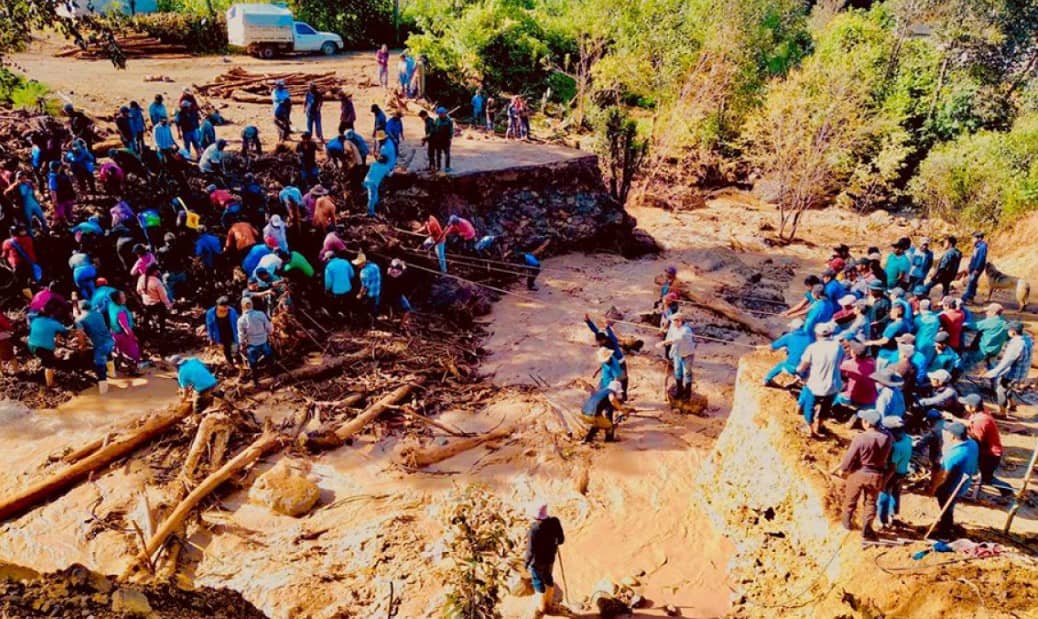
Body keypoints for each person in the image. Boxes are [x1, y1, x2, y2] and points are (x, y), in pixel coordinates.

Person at [836, 408, 891, 541]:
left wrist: (843, 469)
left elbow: (850, 456)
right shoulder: (887, 438)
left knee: (851, 499)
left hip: (860, 473)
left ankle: (847, 523)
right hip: (877, 475)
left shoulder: (860, 438)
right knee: (871, 502)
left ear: (866, 423)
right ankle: (867, 528)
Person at [928, 421, 978, 539]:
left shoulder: (954, 454)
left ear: (953, 436)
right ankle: (947, 526)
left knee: (946, 510)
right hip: (964, 482)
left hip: (951, 488)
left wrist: (933, 488)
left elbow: (943, 476)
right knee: (949, 508)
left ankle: (944, 535)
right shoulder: (973, 444)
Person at [796, 322, 844, 437]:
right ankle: (820, 426)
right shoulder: (838, 347)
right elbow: (840, 361)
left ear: (817, 335)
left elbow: (803, 366)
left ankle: (810, 429)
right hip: (833, 384)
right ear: (830, 334)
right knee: (826, 407)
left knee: (809, 406)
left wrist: (798, 372)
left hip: (815, 384)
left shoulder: (813, 348)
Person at [962, 393, 1013, 498]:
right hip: (989, 451)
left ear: (973, 407)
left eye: (966, 404)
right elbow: (970, 423)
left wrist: (963, 435)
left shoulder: (980, 421)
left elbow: (977, 441)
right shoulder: (980, 414)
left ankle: (1007, 490)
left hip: (990, 454)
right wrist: (954, 419)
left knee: (987, 478)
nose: (964, 406)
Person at [983, 321, 1033, 417]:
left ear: (1013, 332)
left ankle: (1002, 412)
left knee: (1001, 390)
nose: (1008, 332)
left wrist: (992, 373)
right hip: (1023, 371)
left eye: (1009, 330)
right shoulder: (1027, 339)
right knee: (1008, 387)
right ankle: (1013, 404)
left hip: (1014, 373)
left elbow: (1007, 362)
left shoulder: (1016, 345)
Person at [524, 503, 565, 619]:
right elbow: (561, 540)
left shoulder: (534, 529)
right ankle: (549, 603)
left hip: (537, 562)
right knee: (548, 578)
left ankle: (542, 608)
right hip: (550, 558)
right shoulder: (555, 522)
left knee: (538, 583)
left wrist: (526, 564)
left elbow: (530, 551)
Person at [876, 415, 912, 529]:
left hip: (894, 473)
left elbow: (892, 467)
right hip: (903, 471)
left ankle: (882, 520)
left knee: (884, 494)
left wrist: (883, 482)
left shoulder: (895, 447)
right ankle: (894, 514)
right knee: (896, 493)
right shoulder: (908, 439)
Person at [76, 300, 115, 394]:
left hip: (99, 344)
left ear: (80, 308)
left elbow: (80, 334)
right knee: (108, 353)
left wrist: (82, 345)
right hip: (110, 340)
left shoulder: (80, 319)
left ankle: (104, 392)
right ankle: (113, 374)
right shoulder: (99, 314)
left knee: (100, 366)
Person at [657, 312, 696, 401]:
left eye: (674, 320)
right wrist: (666, 348)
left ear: (680, 321)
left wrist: (663, 343)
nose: (672, 322)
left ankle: (687, 393)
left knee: (687, 373)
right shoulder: (673, 327)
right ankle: (679, 390)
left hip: (687, 354)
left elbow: (678, 338)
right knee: (677, 371)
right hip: (677, 353)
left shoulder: (686, 330)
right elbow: (669, 337)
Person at [764, 318, 811, 387]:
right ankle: (801, 380)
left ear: (793, 328)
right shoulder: (810, 338)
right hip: (805, 369)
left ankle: (767, 380)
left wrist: (761, 347)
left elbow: (773, 347)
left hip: (792, 368)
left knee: (780, 365)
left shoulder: (789, 336)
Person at [28, 310, 69, 388]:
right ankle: (50, 384)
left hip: (31, 345)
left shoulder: (35, 321)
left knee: (46, 354)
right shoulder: (52, 322)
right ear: (49, 315)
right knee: (49, 365)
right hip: (43, 348)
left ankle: (46, 360)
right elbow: (64, 330)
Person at [238, 297, 274, 383]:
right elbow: (268, 327)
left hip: (252, 343)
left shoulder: (241, 320)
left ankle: (255, 379)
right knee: (269, 355)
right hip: (263, 340)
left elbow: (241, 334)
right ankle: (272, 373)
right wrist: (270, 333)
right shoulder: (260, 314)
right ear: (252, 305)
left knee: (253, 362)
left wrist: (241, 344)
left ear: (242, 307)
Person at [835, 341, 877, 412]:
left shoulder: (847, 364)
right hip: (871, 400)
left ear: (853, 353)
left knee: (835, 396)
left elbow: (837, 372)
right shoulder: (872, 362)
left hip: (854, 399)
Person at [108, 290, 141, 375]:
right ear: (118, 300)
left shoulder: (111, 305)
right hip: (123, 335)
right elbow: (125, 327)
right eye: (123, 297)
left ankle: (117, 366)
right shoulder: (121, 312)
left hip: (114, 333)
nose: (125, 298)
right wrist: (133, 336)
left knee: (118, 351)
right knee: (133, 352)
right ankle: (133, 369)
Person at [137, 263, 172, 337]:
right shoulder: (156, 282)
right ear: (153, 271)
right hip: (156, 304)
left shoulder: (141, 278)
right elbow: (163, 297)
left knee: (146, 317)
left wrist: (145, 296)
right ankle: (162, 331)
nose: (158, 272)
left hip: (146, 303)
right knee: (162, 316)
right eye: (157, 271)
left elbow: (138, 291)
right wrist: (168, 305)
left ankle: (145, 331)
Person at [969, 303, 1008, 369]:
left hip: (983, 350)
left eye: (988, 311)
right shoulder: (1005, 323)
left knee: (969, 364)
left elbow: (973, 326)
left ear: (993, 312)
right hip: (996, 350)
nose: (986, 313)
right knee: (990, 366)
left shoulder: (989, 321)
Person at [205, 296, 239, 367]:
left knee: (235, 352)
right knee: (226, 352)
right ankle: (231, 366)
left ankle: (241, 368)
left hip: (233, 335)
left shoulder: (232, 311)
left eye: (227, 307)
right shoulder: (210, 313)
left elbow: (237, 323)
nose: (226, 308)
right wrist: (211, 338)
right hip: (220, 336)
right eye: (224, 307)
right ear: (218, 306)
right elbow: (209, 326)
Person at [364, 142, 394, 217]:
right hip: (373, 183)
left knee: (374, 194)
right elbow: (389, 175)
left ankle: (376, 205)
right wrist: (394, 171)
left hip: (366, 180)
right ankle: (370, 213)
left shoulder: (373, 164)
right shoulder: (386, 168)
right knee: (371, 197)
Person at [324, 250, 355, 317]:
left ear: (328, 258)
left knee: (336, 305)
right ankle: (349, 315)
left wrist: (326, 290)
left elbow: (328, 283)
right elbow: (352, 274)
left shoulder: (329, 267)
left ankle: (338, 316)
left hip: (337, 292)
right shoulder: (345, 262)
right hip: (348, 289)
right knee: (347, 304)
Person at [961, 231, 988, 304]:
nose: (972, 240)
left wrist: (977, 269)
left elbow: (981, 259)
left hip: (977, 268)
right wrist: (969, 266)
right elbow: (974, 257)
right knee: (973, 282)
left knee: (971, 282)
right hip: (973, 267)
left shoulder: (982, 247)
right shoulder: (977, 246)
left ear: (979, 238)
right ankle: (970, 298)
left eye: (973, 238)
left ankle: (965, 298)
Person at [47, 161, 76, 226]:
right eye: (60, 166)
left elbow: (70, 184)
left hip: (68, 196)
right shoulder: (53, 177)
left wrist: (73, 195)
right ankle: (57, 225)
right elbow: (53, 190)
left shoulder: (63, 174)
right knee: (60, 213)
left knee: (69, 210)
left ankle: (70, 220)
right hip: (60, 199)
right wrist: (54, 201)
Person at [355, 252, 381, 319]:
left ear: (363, 263)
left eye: (358, 264)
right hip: (377, 291)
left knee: (365, 309)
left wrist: (360, 295)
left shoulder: (364, 272)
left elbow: (365, 287)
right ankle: (374, 321)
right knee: (375, 308)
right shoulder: (375, 266)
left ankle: (366, 322)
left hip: (370, 294)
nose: (357, 265)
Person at [431, 107, 454, 173]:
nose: (440, 115)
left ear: (445, 113)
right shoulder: (437, 120)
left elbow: (451, 130)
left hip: (446, 140)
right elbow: (434, 129)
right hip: (438, 140)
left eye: (442, 113)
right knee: (438, 154)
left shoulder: (449, 121)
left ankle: (447, 167)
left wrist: (450, 137)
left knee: (447, 154)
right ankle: (438, 167)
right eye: (439, 114)